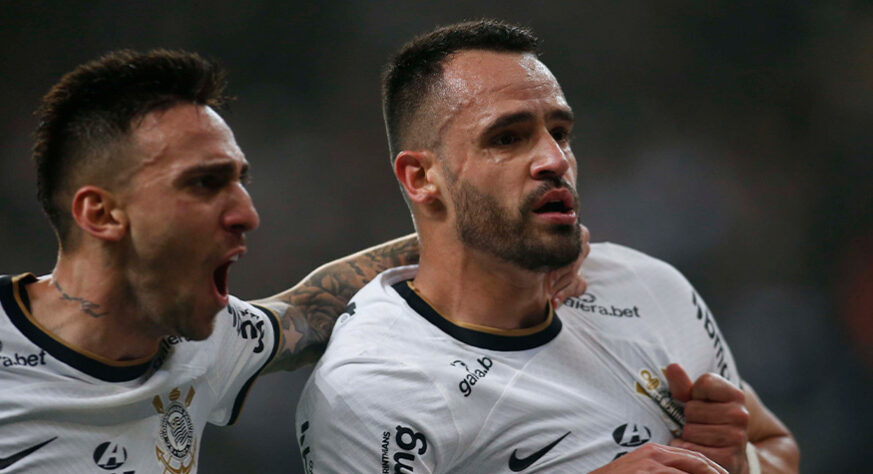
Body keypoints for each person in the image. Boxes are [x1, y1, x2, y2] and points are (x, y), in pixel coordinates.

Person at [0, 48, 585, 473]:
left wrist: (517, 233)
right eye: (204, 184)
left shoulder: (203, 342)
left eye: (239, 181)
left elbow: (307, 308)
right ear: (101, 215)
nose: (247, 214)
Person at [295, 20, 800, 473]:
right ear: (422, 176)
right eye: (508, 138)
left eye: (560, 133)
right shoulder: (375, 388)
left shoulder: (649, 287)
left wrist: (744, 463)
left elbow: (775, 445)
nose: (554, 159)